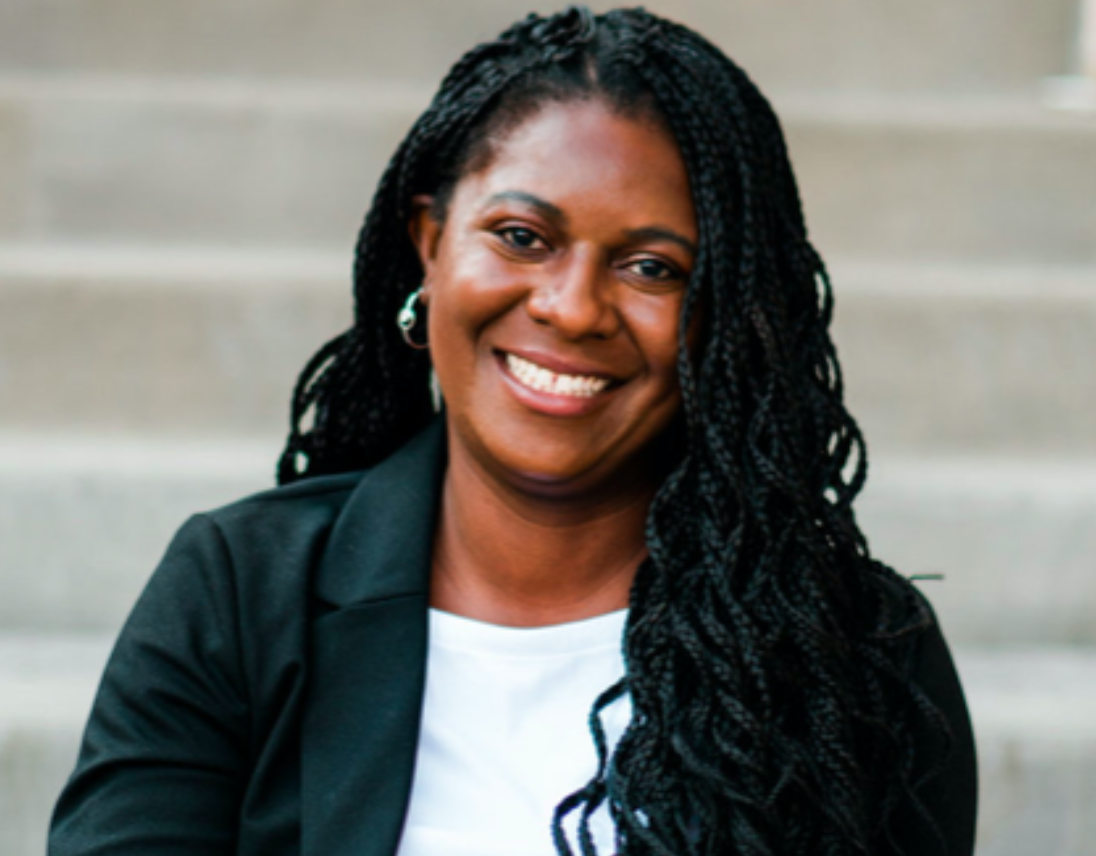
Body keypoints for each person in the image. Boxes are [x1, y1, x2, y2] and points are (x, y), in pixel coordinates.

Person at [49, 6, 977, 856]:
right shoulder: (243, 591)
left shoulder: (848, 654)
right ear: (429, 242)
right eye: (522, 237)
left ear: (723, 317)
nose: (573, 309)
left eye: (653, 267)